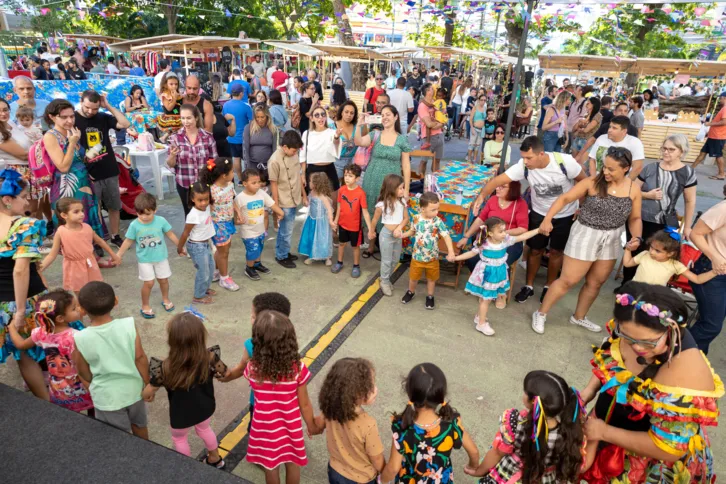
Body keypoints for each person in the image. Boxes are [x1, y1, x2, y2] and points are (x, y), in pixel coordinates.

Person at [580, 282, 723, 483]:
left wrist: (604, 432)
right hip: (605, 430)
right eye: (628, 338)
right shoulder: (632, 325)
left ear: (671, 329)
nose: (637, 347)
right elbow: (612, 363)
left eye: (649, 342)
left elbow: (669, 450)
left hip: (648, 460)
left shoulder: (684, 375)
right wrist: (588, 392)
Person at [532, 147, 642, 334]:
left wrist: (637, 237)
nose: (605, 172)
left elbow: (635, 218)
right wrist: (547, 218)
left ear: (626, 168)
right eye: (604, 167)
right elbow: (565, 198)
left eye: (611, 169)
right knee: (568, 280)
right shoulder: (592, 182)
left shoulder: (634, 189)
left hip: (612, 237)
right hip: (586, 234)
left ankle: (579, 317)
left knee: (595, 282)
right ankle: (541, 313)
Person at [473, 136, 586, 305]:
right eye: (523, 157)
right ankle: (529, 285)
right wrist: (482, 196)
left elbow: (584, 182)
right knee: (534, 250)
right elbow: (498, 180)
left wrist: (580, 206)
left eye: (529, 158)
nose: (525, 161)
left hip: (565, 214)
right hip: (539, 213)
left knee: (556, 252)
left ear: (541, 154)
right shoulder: (523, 166)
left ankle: (548, 286)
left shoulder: (565, 162)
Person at [464, 370, 588, 483]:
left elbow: (497, 453)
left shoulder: (515, 423)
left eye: (525, 391)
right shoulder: (570, 431)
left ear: (533, 402)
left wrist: (479, 470)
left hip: (510, 477)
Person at [0, 171, 61, 399]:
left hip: (2, 304)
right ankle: (54, 398)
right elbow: (20, 269)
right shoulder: (25, 225)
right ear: (8, 199)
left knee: (22, 355)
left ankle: (43, 404)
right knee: (46, 345)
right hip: (26, 299)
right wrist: (21, 310)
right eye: (24, 196)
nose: (27, 202)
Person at [243, 310, 321, 484]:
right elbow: (305, 404)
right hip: (290, 427)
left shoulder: (252, 369)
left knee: (270, 467)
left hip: (264, 428)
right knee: (293, 463)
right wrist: (311, 425)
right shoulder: (298, 370)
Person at [142, 312, 227, 469]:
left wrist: (146, 395)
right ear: (200, 337)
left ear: (172, 341)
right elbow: (224, 372)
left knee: (180, 440)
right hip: (204, 407)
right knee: (205, 429)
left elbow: (148, 391)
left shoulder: (165, 367)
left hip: (181, 414)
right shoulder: (209, 357)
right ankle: (215, 459)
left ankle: (188, 469)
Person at [379, 363, 480, 483]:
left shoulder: (402, 428)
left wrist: (381, 480)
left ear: (409, 393)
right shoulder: (451, 423)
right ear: (440, 394)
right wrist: (472, 466)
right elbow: (473, 451)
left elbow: (393, 468)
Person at [73, 281, 150, 438]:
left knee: (117, 437)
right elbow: (140, 357)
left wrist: (90, 384)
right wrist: (148, 383)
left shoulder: (80, 337)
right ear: (116, 301)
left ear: (82, 310)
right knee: (139, 425)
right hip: (134, 390)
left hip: (106, 398)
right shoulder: (128, 324)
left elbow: (83, 370)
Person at [621, 134, 697, 285]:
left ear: (681, 152)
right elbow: (631, 191)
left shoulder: (687, 173)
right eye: (664, 148)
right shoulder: (650, 168)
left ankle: (652, 286)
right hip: (640, 219)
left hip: (665, 223)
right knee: (636, 250)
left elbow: (690, 200)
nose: (666, 152)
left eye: (671, 149)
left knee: (661, 255)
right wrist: (647, 195)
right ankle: (627, 285)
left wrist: (687, 227)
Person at [8, 290, 93, 414]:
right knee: (94, 410)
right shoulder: (77, 336)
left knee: (71, 417)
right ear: (60, 318)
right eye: (74, 309)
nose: (79, 310)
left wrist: (11, 328)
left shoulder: (40, 333)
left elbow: (21, 345)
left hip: (60, 390)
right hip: (84, 385)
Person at [217, 292, 292, 432]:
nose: (250, 319)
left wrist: (227, 377)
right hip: (286, 405)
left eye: (253, 316)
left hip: (259, 404)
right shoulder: (290, 346)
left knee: (257, 433)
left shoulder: (251, 345)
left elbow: (241, 368)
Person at [454, 217, 540, 336]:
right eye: (501, 231)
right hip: (487, 274)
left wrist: (538, 230)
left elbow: (522, 237)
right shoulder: (483, 243)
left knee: (487, 299)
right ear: (490, 233)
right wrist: (456, 258)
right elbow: (471, 253)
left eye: (505, 230)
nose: (505, 233)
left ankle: (479, 317)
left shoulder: (506, 240)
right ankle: (481, 324)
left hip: (499, 272)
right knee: (486, 299)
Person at [74, 90, 130, 248]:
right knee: (94, 209)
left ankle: (115, 235)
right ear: (81, 101)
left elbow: (125, 124)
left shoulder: (103, 117)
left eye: (95, 108)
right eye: (87, 107)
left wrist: (108, 106)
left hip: (109, 169)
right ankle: (97, 239)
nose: (91, 111)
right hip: (88, 172)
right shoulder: (73, 119)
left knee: (114, 206)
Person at [315, 358, 384, 484]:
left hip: (335, 472)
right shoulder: (368, 424)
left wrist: (313, 428)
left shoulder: (330, 409)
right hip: (362, 479)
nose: (375, 389)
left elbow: (318, 424)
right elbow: (377, 458)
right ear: (355, 393)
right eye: (370, 386)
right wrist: (385, 472)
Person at [43, 100, 105, 242]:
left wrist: (90, 157)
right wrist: (72, 142)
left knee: (87, 218)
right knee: (73, 222)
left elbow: (76, 159)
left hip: (84, 183)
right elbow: (63, 167)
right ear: (52, 117)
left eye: (72, 116)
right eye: (64, 117)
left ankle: (91, 253)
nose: (70, 120)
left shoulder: (72, 132)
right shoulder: (51, 136)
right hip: (67, 188)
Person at [116, 193, 180, 319]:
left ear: (155, 210)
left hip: (161, 257)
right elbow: (128, 240)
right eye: (140, 214)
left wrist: (180, 246)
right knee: (149, 283)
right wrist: (119, 254)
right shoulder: (134, 225)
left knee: (164, 280)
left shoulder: (161, 221)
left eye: (148, 213)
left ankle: (166, 299)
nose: (144, 217)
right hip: (144, 259)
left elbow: (170, 234)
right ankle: (145, 305)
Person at [41, 197, 119, 293]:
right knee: (79, 292)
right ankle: (81, 307)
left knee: (95, 288)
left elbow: (100, 241)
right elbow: (52, 254)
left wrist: (113, 255)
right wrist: (40, 269)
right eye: (76, 212)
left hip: (90, 263)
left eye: (82, 211)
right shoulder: (61, 232)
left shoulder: (87, 227)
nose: (82, 214)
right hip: (73, 268)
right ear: (64, 215)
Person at [458, 180, 528, 273]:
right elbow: (480, 220)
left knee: (498, 264)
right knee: (472, 260)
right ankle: (480, 282)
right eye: (497, 185)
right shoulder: (493, 199)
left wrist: (500, 233)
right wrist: (466, 237)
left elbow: (523, 229)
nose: (497, 188)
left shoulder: (520, 203)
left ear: (512, 189)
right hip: (487, 236)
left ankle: (496, 285)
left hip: (509, 240)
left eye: (502, 187)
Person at [400, 192, 455, 310]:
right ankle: (411, 292)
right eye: (433, 210)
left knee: (431, 279)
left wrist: (451, 251)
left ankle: (430, 296)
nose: (436, 212)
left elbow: (446, 236)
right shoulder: (416, 218)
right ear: (423, 209)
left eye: (437, 209)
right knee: (413, 278)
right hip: (417, 257)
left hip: (432, 258)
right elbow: (412, 232)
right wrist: (402, 235)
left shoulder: (438, 221)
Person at [688, 194, 726, 354]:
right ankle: (671, 352)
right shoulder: (723, 209)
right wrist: (714, 257)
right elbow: (695, 233)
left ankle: (694, 359)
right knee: (711, 325)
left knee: (710, 322)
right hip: (712, 270)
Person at [167, 104, 218, 216]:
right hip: (184, 183)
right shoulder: (175, 138)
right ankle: (190, 234)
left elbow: (213, 160)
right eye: (183, 118)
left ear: (196, 117)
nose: (186, 122)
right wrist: (172, 156)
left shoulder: (207, 137)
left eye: (189, 118)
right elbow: (171, 165)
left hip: (204, 184)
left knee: (206, 214)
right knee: (189, 215)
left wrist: (207, 175)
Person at [234, 168, 283, 280]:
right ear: (245, 183)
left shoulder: (261, 193)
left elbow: (271, 204)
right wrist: (237, 221)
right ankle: (249, 268)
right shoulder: (240, 198)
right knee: (253, 250)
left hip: (260, 229)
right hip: (248, 232)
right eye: (254, 183)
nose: (258, 185)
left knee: (259, 247)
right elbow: (235, 216)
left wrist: (280, 212)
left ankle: (257, 264)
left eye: (259, 182)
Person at [198, 158, 239, 292]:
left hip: (228, 222)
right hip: (218, 225)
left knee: (223, 250)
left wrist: (238, 212)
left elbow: (232, 200)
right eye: (232, 171)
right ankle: (224, 278)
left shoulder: (230, 185)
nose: (234, 173)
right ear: (223, 175)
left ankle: (217, 271)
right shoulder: (211, 190)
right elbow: (204, 209)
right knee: (224, 252)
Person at [624, 228, 715, 286]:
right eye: (651, 247)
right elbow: (627, 264)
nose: (651, 252)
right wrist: (628, 250)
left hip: (653, 299)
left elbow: (697, 279)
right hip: (633, 293)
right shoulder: (644, 254)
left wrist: (715, 272)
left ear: (670, 253)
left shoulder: (675, 265)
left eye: (657, 251)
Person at [268, 131, 306, 269]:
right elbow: (273, 184)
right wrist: (277, 207)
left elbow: (298, 177)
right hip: (284, 200)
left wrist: (304, 195)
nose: (295, 153)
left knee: (287, 229)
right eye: (293, 150)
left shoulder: (294, 155)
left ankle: (283, 251)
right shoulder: (274, 160)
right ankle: (282, 256)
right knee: (286, 230)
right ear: (284, 147)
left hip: (294, 197)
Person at [177, 182, 216, 304]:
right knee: (203, 271)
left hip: (205, 243)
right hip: (197, 246)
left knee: (211, 268)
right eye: (200, 200)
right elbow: (185, 233)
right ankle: (198, 296)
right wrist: (180, 247)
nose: (204, 203)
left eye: (206, 199)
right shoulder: (193, 215)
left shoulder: (207, 207)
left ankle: (204, 289)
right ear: (193, 199)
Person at [369, 174, 408, 297]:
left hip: (397, 235)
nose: (403, 190)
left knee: (395, 260)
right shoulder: (382, 204)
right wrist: (371, 231)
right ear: (392, 188)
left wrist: (399, 228)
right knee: (386, 261)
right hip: (386, 236)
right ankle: (385, 281)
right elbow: (374, 220)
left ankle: (385, 278)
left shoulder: (402, 202)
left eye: (403, 188)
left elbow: (406, 218)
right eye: (401, 188)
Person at [331, 164, 373, 278]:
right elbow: (339, 207)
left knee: (355, 247)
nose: (347, 178)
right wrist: (335, 221)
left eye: (350, 176)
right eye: (345, 175)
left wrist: (370, 228)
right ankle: (339, 262)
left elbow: (365, 212)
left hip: (355, 226)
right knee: (341, 244)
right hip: (343, 224)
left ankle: (356, 265)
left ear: (357, 178)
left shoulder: (361, 193)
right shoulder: (342, 190)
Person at [300, 105, 341, 195]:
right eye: (317, 115)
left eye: (323, 114)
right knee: (314, 203)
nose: (320, 117)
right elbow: (302, 157)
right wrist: (302, 174)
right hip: (312, 171)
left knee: (332, 203)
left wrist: (336, 137)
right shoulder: (306, 134)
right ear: (311, 118)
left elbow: (336, 144)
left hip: (329, 169)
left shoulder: (332, 132)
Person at [298, 172, 335, 266]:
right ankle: (312, 255)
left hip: (321, 223)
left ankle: (326, 257)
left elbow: (329, 209)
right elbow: (309, 203)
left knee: (322, 239)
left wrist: (331, 221)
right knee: (311, 237)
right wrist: (306, 200)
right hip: (312, 220)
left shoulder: (323, 197)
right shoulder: (312, 193)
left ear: (315, 184)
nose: (309, 182)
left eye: (310, 181)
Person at [690, 92, 726, 180]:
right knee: (703, 152)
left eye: (721, 98)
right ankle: (691, 169)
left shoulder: (725, 109)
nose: (720, 100)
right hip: (714, 135)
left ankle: (721, 173)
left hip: (718, 136)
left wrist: (710, 124)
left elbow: (724, 122)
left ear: (724, 98)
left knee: (718, 155)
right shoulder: (723, 108)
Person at [222, 84, 253, 182]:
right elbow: (252, 122)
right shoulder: (246, 106)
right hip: (244, 137)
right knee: (248, 160)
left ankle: (240, 179)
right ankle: (248, 179)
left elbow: (224, 119)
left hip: (231, 137)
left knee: (236, 158)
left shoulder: (226, 105)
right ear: (241, 93)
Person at [416, 83, 445, 172]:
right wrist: (440, 124)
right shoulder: (422, 106)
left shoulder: (435, 102)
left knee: (437, 160)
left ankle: (434, 181)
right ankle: (420, 181)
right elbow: (429, 124)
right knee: (424, 161)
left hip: (439, 135)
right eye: (432, 89)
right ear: (428, 91)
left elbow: (442, 116)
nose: (434, 90)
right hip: (428, 138)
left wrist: (440, 122)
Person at [244, 103, 278, 173]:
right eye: (257, 117)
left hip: (268, 164)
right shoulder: (248, 127)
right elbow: (245, 148)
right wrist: (247, 166)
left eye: (262, 117)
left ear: (267, 116)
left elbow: (275, 149)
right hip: (252, 163)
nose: (260, 120)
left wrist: (274, 165)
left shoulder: (273, 129)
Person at [330, 101, 359, 180]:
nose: (349, 115)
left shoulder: (357, 127)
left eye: (352, 113)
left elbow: (363, 141)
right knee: (336, 189)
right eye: (346, 112)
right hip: (336, 163)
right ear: (341, 112)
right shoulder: (332, 126)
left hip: (352, 164)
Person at [467, 95, 488, 163]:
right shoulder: (475, 108)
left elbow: (484, 119)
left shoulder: (485, 108)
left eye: (484, 100)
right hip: (475, 128)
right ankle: (469, 159)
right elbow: (470, 119)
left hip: (481, 129)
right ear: (479, 100)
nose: (483, 101)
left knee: (477, 145)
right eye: (481, 100)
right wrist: (472, 128)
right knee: (472, 144)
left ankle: (474, 159)